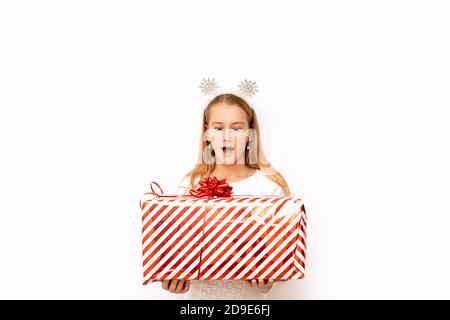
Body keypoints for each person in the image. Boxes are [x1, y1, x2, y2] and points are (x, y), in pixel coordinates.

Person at [161, 93, 291, 299]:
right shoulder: (190, 186)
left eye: (237, 128)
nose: (227, 137)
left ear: (249, 134)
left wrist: (267, 280)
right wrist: (175, 279)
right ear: (207, 133)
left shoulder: (269, 190)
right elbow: (180, 255)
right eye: (218, 128)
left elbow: (279, 261)